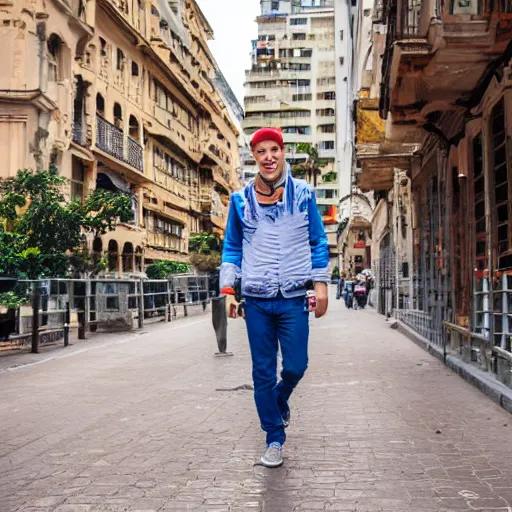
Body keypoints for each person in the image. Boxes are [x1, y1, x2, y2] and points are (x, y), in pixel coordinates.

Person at [220, 127, 329, 468]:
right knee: (262, 373)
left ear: (282, 153)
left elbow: (318, 240)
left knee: (297, 365)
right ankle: (274, 438)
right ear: (254, 157)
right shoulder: (240, 201)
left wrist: (321, 284)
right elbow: (232, 247)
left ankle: (280, 399)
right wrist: (227, 291)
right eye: (261, 151)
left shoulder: (304, 195)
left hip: (294, 296)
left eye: (274, 150)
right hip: (256, 300)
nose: (268, 157)